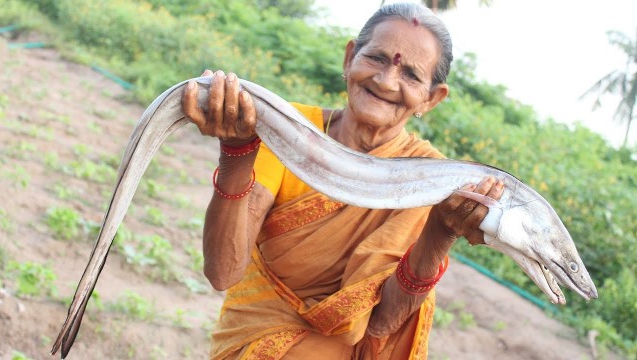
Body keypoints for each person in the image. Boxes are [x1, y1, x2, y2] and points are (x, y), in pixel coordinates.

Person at [182, 3, 504, 359]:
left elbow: (383, 324)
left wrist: (440, 234)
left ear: (431, 98)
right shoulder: (288, 128)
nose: (386, 80)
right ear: (350, 57)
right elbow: (223, 271)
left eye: (411, 75)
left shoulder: (433, 178)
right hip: (252, 342)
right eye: (377, 58)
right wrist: (237, 154)